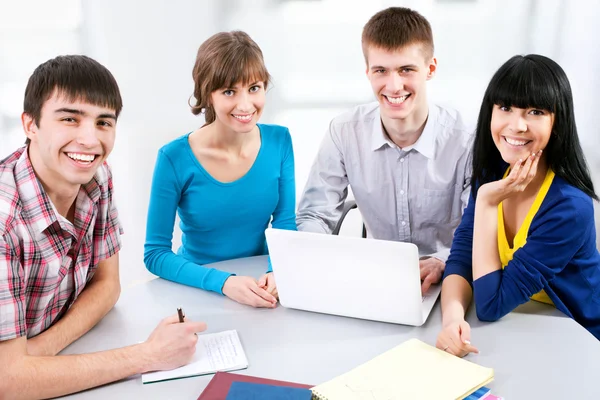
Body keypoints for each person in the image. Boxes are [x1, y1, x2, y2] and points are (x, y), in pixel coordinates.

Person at [0, 55, 206, 398]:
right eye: (70, 118)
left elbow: (108, 284)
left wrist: (36, 354)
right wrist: (148, 355)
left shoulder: (96, 176)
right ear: (30, 124)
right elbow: (7, 381)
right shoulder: (5, 223)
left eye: (103, 123)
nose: (90, 140)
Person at [296, 7, 472, 293]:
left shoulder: (466, 140)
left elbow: (481, 229)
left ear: (430, 69)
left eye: (406, 69)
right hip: (375, 280)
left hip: (450, 279)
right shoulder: (344, 132)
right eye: (381, 70)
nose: (393, 85)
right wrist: (318, 255)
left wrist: (443, 261)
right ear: (368, 72)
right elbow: (315, 216)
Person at [437, 54, 600, 357]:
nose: (517, 125)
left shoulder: (569, 208)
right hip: (522, 328)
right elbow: (461, 259)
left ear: (557, 121)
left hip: (579, 339)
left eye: (535, 111)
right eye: (505, 108)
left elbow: (490, 305)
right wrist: (453, 319)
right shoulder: (493, 172)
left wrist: (486, 202)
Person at [144, 31, 296, 308]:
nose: (245, 105)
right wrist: (224, 283)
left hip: (261, 283)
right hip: (199, 287)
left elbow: (285, 223)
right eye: (229, 91)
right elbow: (155, 254)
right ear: (207, 94)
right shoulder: (173, 158)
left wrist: (277, 270)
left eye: (254, 88)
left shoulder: (280, 141)